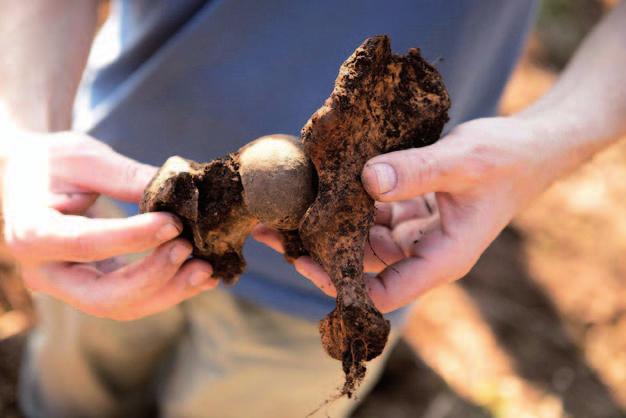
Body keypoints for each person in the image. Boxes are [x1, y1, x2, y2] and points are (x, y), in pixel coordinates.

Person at [1, 1, 624, 417]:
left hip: (344, 274)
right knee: (74, 390)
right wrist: (25, 131)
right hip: (113, 206)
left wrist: (548, 143)